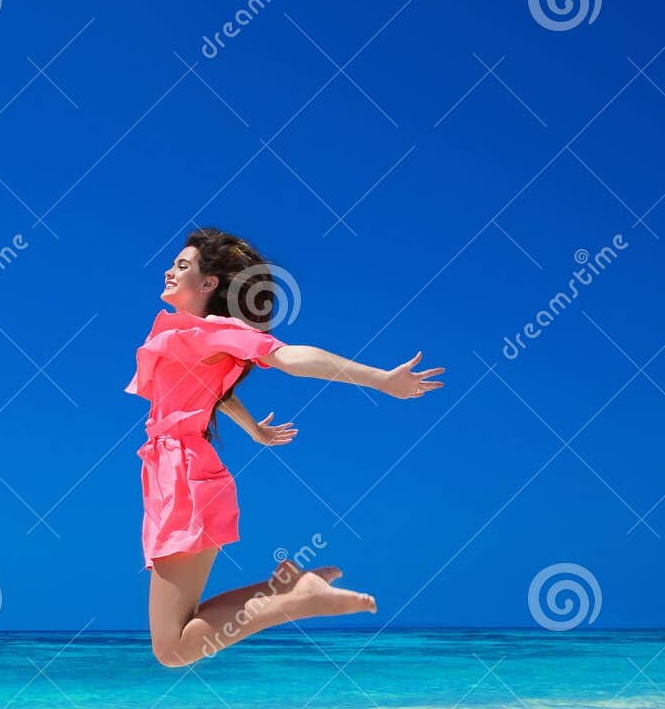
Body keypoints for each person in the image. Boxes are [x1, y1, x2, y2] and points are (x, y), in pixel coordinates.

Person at [128, 228, 444, 667]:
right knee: (174, 641)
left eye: (182, 266)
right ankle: (290, 593)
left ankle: (296, 601)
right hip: (175, 473)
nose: (168, 269)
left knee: (173, 647)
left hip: (182, 477)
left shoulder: (219, 332)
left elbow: (291, 358)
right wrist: (253, 429)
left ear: (208, 285)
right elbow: (212, 391)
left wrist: (382, 380)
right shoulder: (195, 336)